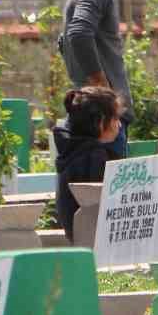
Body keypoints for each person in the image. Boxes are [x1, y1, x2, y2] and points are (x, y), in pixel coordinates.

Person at [60, 0, 158, 156]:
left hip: (101, 121)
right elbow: (78, 33)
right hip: (102, 125)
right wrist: (104, 92)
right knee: (104, 192)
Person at [53, 86, 124, 241]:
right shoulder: (94, 158)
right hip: (95, 243)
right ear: (100, 122)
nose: (119, 124)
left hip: (76, 239)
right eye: (116, 118)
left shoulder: (73, 150)